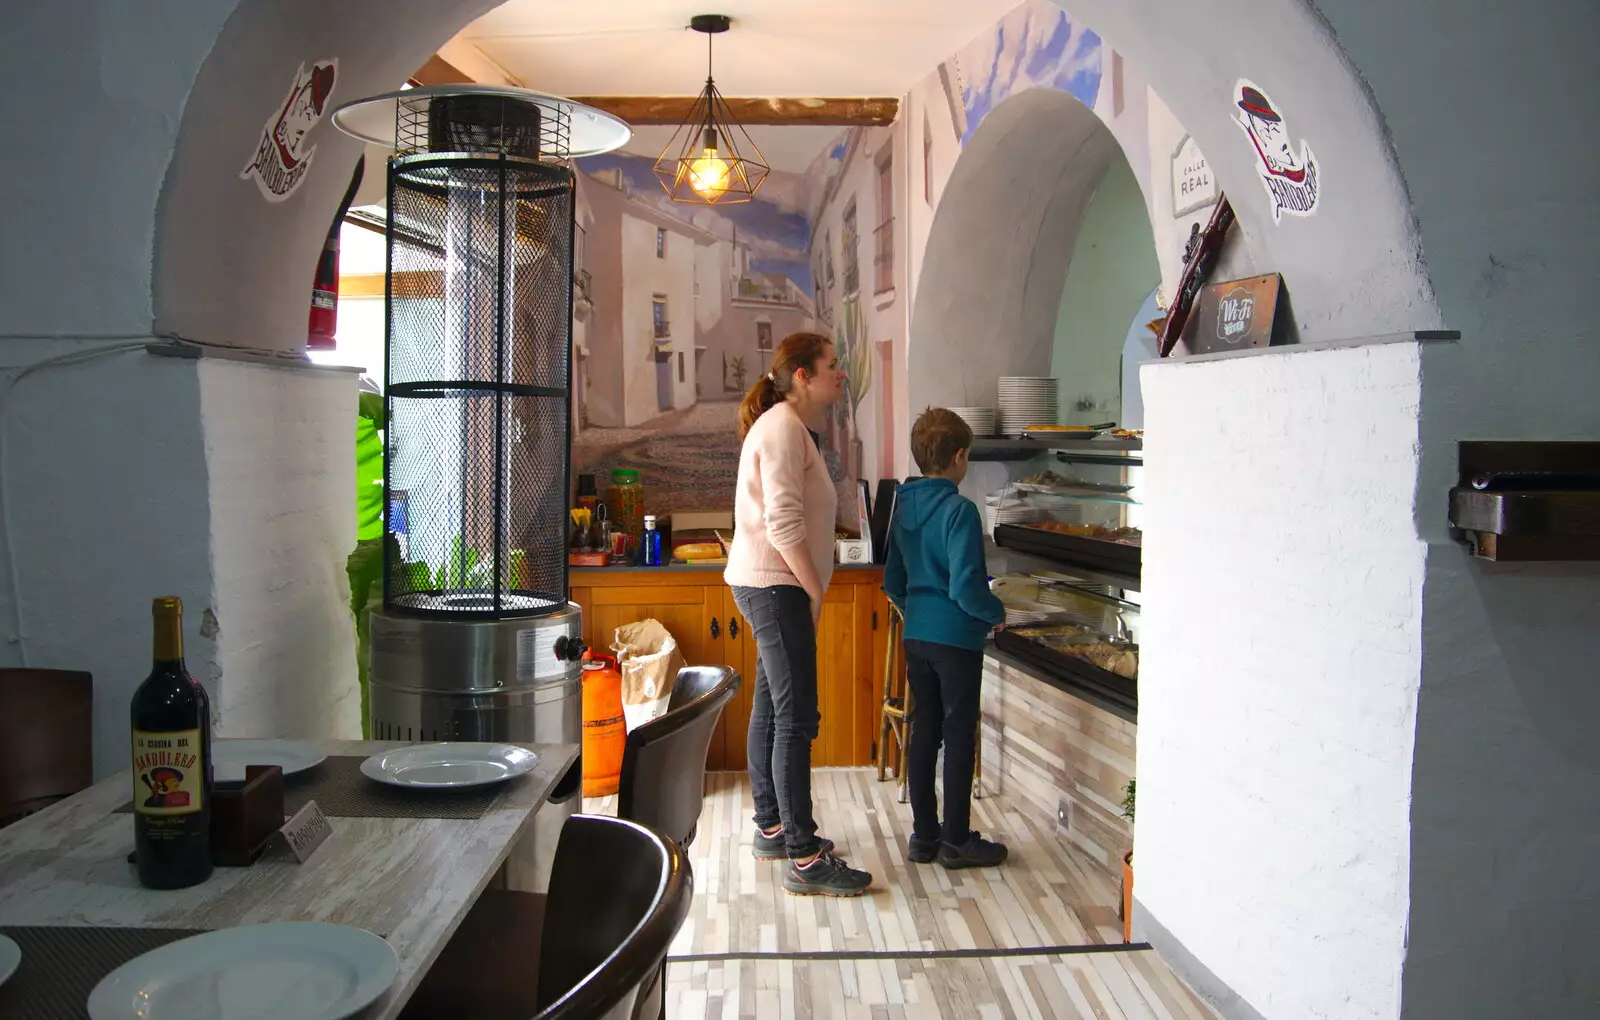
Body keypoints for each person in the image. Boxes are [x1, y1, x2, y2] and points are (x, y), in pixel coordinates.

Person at [725, 332, 873, 897]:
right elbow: (784, 525)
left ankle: (772, 826)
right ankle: (804, 857)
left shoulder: (788, 427)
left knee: (772, 706)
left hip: (771, 582)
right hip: (776, 584)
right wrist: (814, 593)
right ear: (803, 376)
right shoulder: (785, 427)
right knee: (795, 718)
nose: (841, 373)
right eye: (832, 366)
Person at [885, 408, 1009, 869]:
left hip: (917, 637)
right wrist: (997, 613)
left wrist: (918, 610)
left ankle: (924, 836)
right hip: (957, 641)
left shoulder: (903, 509)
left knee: (924, 732)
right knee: (959, 736)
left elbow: (893, 579)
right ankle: (956, 839)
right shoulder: (960, 511)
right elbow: (966, 587)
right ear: (959, 457)